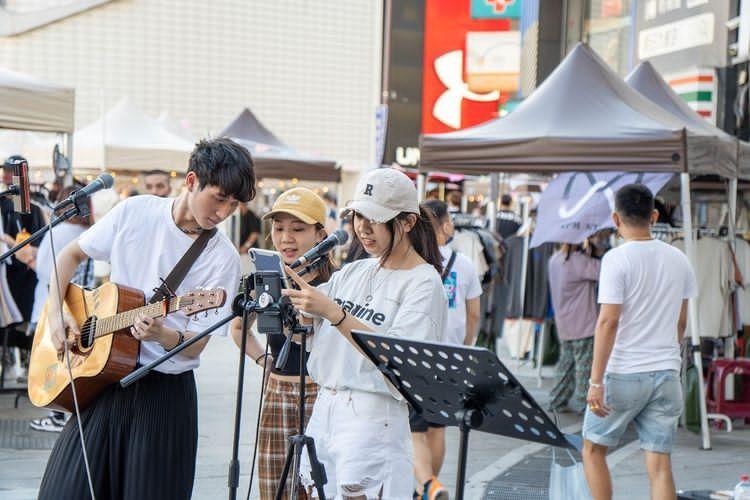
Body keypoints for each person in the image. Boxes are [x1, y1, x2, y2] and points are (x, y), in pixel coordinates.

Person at [38, 138, 255, 500]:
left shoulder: (222, 258)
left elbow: (196, 345)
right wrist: (57, 314)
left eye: (233, 205)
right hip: (103, 379)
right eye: (219, 198)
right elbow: (70, 255)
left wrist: (162, 335)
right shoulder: (134, 212)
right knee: (63, 490)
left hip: (163, 395)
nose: (223, 212)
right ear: (191, 181)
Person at [282, 167, 447, 499]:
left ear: (408, 222)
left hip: (374, 412)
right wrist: (296, 312)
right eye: (358, 215)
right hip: (326, 403)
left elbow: (398, 356)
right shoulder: (356, 270)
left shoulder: (424, 282)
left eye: (375, 218)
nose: (363, 227)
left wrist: (334, 313)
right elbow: (309, 335)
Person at [582, 184, 696, 500]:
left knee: (593, 449)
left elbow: (608, 322)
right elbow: (681, 323)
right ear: (654, 216)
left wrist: (595, 382)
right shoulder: (680, 259)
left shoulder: (616, 259)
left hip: (624, 372)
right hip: (667, 373)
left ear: (615, 218)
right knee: (660, 464)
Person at [230, 187, 335, 500]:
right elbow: (239, 328)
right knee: (274, 487)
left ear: (320, 235)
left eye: (298, 229)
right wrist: (264, 362)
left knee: (319, 489)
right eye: (278, 229)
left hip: (324, 394)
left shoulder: (337, 282)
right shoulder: (265, 279)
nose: (286, 238)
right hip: (277, 392)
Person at [415, 199, 481, 500]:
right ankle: (430, 486)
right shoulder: (465, 264)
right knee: (437, 427)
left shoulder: (415, 259)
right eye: (450, 220)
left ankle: (424, 484)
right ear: (442, 225)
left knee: (413, 428)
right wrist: (465, 347)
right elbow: (474, 314)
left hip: (415, 353)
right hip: (450, 357)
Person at [28, 185, 95, 433]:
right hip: (84, 304)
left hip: (55, 304)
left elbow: (44, 271)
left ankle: (56, 415)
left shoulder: (58, 232)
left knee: (53, 360)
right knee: (75, 361)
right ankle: (67, 413)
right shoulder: (89, 231)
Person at [547, 242, 601, 414]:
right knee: (584, 368)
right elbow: (603, 271)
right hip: (583, 324)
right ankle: (584, 406)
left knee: (566, 364)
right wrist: (594, 252)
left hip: (564, 322)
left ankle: (557, 400)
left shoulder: (554, 260)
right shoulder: (579, 261)